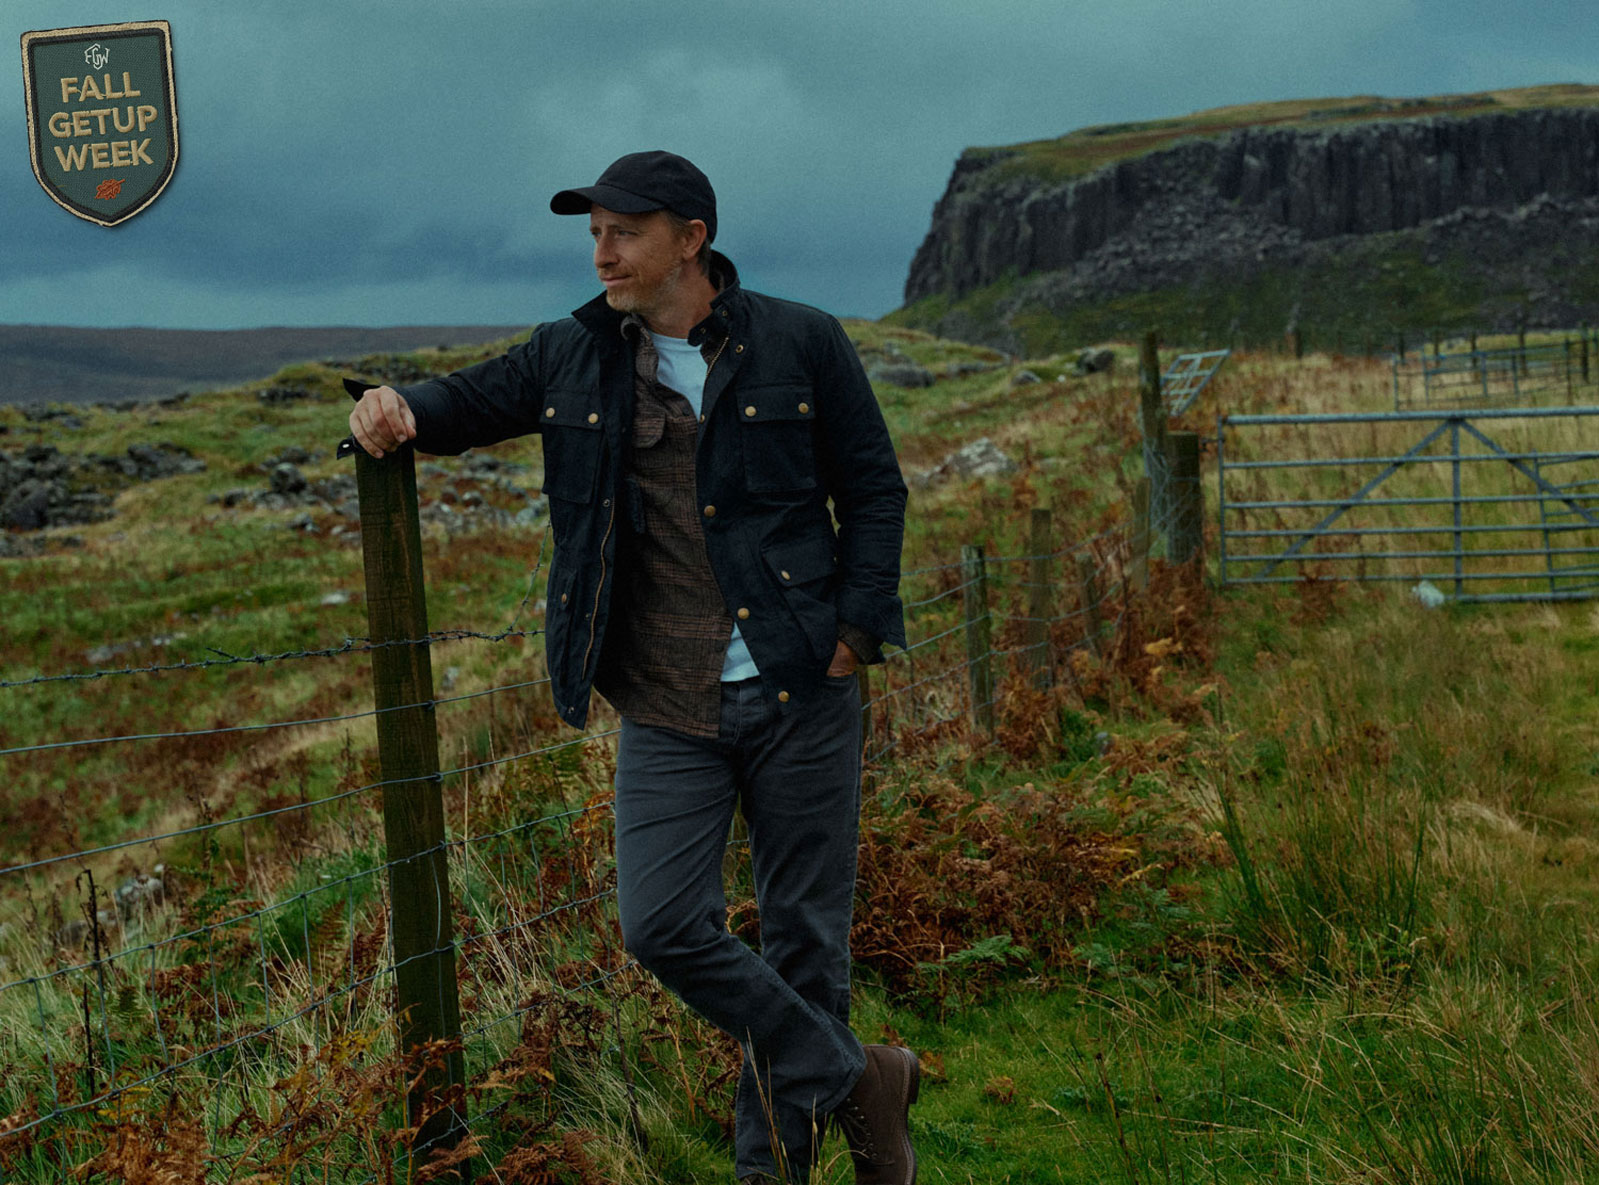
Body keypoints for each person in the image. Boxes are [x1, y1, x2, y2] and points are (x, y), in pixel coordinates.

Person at [347, 150, 916, 1184]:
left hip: (803, 688)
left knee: (803, 945)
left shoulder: (802, 341)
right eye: (595, 232)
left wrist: (855, 634)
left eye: (627, 231)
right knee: (659, 926)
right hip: (664, 701)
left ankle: (771, 1171)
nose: (604, 251)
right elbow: (466, 402)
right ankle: (856, 1075)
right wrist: (394, 406)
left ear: (691, 240)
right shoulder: (572, 352)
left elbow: (875, 491)